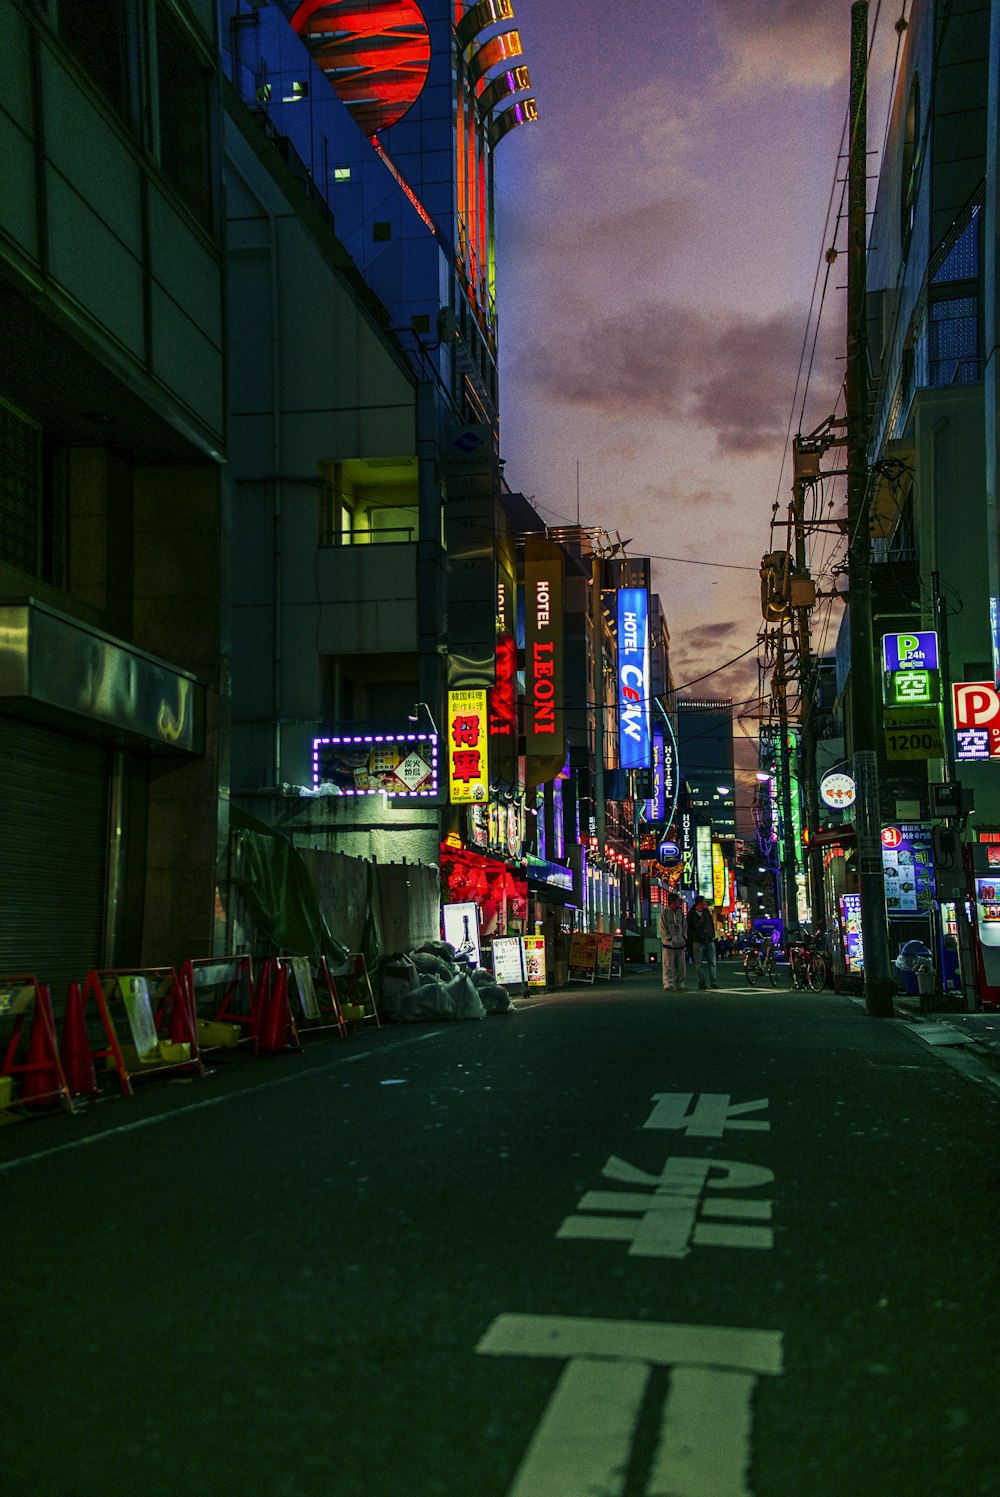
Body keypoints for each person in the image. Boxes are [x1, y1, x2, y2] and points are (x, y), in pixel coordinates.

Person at [687, 895, 718, 989]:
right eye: (704, 902)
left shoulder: (707, 913)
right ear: (699, 903)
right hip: (698, 941)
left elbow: (711, 925)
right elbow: (689, 928)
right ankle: (701, 982)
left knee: (712, 962)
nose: (706, 904)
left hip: (709, 940)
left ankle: (714, 982)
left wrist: (711, 935)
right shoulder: (691, 914)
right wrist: (694, 936)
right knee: (699, 963)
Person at [658, 892, 687, 991]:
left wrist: (684, 937)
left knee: (681, 967)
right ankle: (668, 983)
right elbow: (662, 927)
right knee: (668, 966)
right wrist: (668, 937)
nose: (679, 903)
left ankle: (680, 983)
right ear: (673, 902)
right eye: (678, 901)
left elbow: (684, 926)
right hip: (669, 944)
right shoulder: (665, 913)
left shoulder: (680, 913)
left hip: (680, 943)